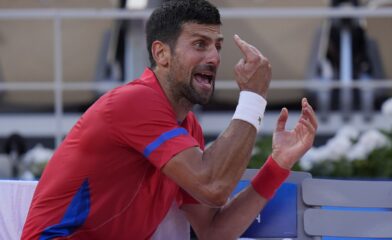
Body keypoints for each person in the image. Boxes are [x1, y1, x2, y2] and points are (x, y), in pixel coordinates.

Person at [21, 0, 318, 239]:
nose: (214, 57)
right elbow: (213, 186)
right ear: (161, 54)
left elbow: (214, 231)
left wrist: (278, 164)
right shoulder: (133, 103)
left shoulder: (189, 129)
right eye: (200, 44)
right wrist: (253, 98)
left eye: (218, 46)